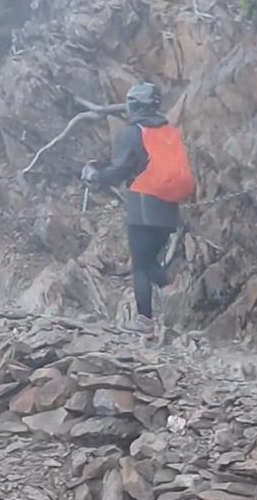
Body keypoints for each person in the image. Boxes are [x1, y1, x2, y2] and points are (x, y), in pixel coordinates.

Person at [82, 82, 193, 335]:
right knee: (149, 259)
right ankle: (169, 289)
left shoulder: (133, 132)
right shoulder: (167, 130)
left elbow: (120, 170)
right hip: (168, 206)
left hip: (143, 205)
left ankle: (145, 322)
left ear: (134, 105)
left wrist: (95, 176)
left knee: (140, 266)